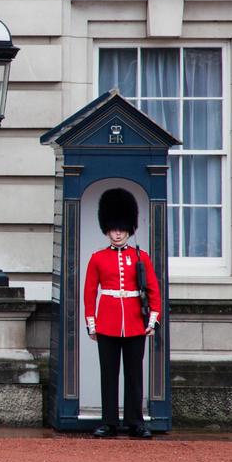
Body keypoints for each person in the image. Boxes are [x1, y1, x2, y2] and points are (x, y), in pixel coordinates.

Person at [83, 187, 162, 440]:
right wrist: (91, 323)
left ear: (128, 229)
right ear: (107, 229)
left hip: (135, 322)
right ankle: (109, 422)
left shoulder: (141, 257)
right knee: (109, 375)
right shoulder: (97, 258)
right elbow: (89, 293)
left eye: (121, 229)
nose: (117, 233)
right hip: (107, 322)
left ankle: (135, 422)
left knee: (134, 375)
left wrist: (152, 320)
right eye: (113, 229)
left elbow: (153, 290)